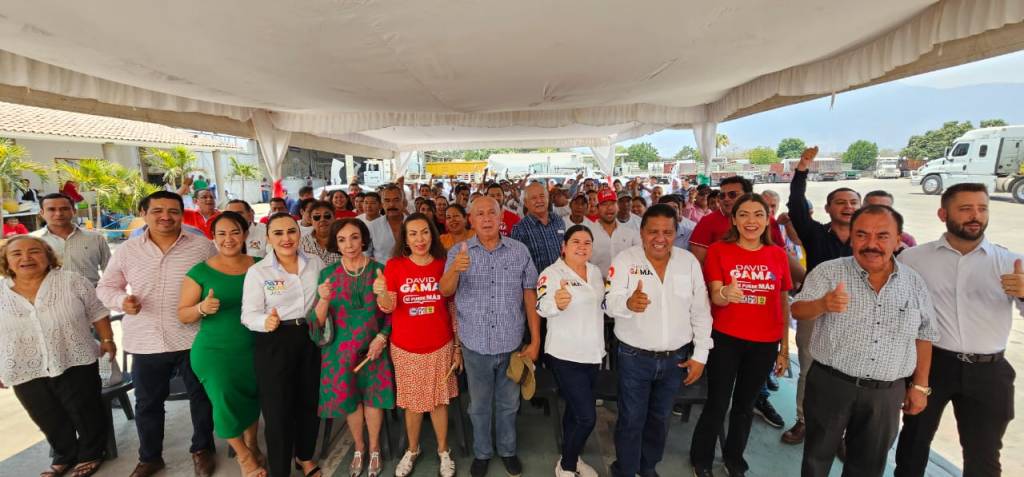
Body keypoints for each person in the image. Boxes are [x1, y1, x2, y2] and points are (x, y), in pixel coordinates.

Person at [792, 205, 939, 477]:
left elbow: (925, 334)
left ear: (898, 240)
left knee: (869, 465)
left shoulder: (914, 282)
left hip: (886, 394)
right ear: (851, 238)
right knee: (816, 458)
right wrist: (823, 304)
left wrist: (920, 386)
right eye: (862, 235)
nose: (871, 244)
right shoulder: (828, 271)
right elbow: (797, 309)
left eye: (882, 236)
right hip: (830, 384)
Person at [894, 183, 1024, 477]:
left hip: (989, 371)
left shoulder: (1011, 262)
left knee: (984, 455)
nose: (975, 216)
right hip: (932, 366)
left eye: (982, 208)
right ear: (943, 214)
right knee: (913, 444)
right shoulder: (914, 260)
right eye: (965, 209)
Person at [95, 191, 218, 477]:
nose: (166, 217)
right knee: (148, 403)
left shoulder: (201, 246)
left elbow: (218, 277)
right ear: (144, 213)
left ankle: (202, 449)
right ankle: (150, 457)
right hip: (146, 339)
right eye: (158, 210)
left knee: (201, 397)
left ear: (182, 214)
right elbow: (106, 287)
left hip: (193, 336)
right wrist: (121, 301)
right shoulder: (128, 250)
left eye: (173, 211)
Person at [604, 204, 713, 477]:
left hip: (676, 360)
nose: (660, 238)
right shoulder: (625, 261)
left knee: (660, 419)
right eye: (653, 231)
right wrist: (628, 303)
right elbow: (608, 302)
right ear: (642, 232)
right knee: (631, 419)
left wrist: (700, 355)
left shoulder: (688, 262)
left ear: (676, 233)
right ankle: (625, 470)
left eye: (667, 232)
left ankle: (648, 467)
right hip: (633, 358)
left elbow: (701, 311)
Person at [690, 194, 793, 477]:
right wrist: (725, 293)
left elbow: (782, 303)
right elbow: (715, 295)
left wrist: (784, 349)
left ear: (767, 220)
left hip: (765, 343)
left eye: (758, 214)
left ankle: (734, 460)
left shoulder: (778, 255)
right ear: (734, 220)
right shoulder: (719, 250)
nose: (751, 221)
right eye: (744, 214)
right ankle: (701, 458)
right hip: (726, 339)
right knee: (717, 402)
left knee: (745, 406)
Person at [440, 196, 540, 477]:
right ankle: (482, 452)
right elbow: (445, 290)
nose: (486, 219)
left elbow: (529, 294)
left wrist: (535, 340)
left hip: (511, 345)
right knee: (479, 406)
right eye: (480, 214)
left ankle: (507, 450)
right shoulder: (458, 251)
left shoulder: (519, 251)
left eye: (491, 213)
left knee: (509, 404)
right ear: (471, 220)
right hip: (475, 345)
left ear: (501, 218)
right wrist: (455, 269)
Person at [0, 236, 114, 477]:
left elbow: (97, 312)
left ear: (48, 256)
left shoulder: (72, 281)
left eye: (34, 251)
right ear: (6, 261)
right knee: (45, 414)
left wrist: (107, 339)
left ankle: (92, 453)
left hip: (74, 356)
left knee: (85, 409)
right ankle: (65, 455)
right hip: (23, 364)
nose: (26, 258)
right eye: (17, 254)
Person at [780, 146, 861, 445]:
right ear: (828, 209)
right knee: (809, 369)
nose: (847, 206)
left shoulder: (868, 241)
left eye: (853, 202)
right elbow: (796, 204)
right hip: (813, 310)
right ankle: (803, 420)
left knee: (850, 373)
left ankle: (842, 431)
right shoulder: (815, 234)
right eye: (840, 202)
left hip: (855, 314)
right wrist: (802, 168)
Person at [176, 212, 266, 477]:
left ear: (245, 234)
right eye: (222, 234)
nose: (229, 239)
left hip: (256, 347)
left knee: (251, 397)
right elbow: (183, 314)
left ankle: (252, 443)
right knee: (224, 400)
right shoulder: (200, 272)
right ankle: (244, 456)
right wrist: (201, 308)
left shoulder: (261, 266)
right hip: (215, 352)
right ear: (213, 237)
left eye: (235, 232)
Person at [375, 214, 460, 477]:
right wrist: (381, 291)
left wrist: (457, 347)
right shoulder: (394, 266)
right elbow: (388, 307)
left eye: (424, 232)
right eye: (413, 234)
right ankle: (412, 449)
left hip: (440, 345)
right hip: (406, 348)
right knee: (412, 404)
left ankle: (443, 450)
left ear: (432, 235)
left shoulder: (444, 265)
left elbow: (453, 308)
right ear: (405, 239)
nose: (420, 239)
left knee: (439, 402)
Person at [241, 213, 325, 477]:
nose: (286, 238)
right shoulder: (258, 272)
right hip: (274, 341)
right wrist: (265, 321)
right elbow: (248, 314)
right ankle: (280, 469)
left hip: (309, 337)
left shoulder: (315, 263)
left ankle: (305, 457)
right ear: (268, 238)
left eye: (291, 231)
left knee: (309, 402)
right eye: (278, 233)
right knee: (277, 410)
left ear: (300, 234)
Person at [310, 218, 394, 477]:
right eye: (342, 239)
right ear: (336, 244)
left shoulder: (380, 271)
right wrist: (324, 299)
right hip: (339, 351)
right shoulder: (327, 275)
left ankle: (375, 447)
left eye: (354, 237)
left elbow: (392, 313)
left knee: (373, 398)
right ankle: (359, 447)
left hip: (373, 348)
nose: (349, 244)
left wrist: (382, 337)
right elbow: (316, 324)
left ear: (364, 239)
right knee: (350, 400)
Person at [535, 225, 604, 477]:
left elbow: (603, 304)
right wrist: (557, 303)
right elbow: (542, 305)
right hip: (565, 355)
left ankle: (572, 458)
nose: (582, 247)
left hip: (593, 353)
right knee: (587, 417)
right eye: (576, 241)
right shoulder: (552, 273)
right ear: (563, 246)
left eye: (587, 243)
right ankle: (566, 465)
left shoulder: (595, 272)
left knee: (575, 411)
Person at [30, 193, 110, 285]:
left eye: (64, 209)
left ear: (74, 211)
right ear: (42, 213)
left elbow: (110, 271)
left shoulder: (95, 238)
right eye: (51, 209)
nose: (58, 213)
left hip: (91, 292)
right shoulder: (32, 240)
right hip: (47, 293)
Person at [511, 182, 566, 276]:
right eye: (534, 198)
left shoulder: (558, 220)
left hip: (562, 280)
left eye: (542, 196)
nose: (539, 200)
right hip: (537, 283)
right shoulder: (519, 229)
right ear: (526, 203)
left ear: (548, 198)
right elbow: (516, 264)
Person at [585, 189, 640, 278]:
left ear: (617, 206)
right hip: (596, 284)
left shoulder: (630, 234)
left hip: (624, 284)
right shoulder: (587, 234)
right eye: (604, 204)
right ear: (597, 208)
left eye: (612, 203)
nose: (609, 208)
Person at [364, 186, 404, 264]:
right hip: (382, 270)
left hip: (411, 271)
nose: (392, 205)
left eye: (396, 200)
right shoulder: (372, 227)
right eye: (387, 200)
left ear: (403, 202)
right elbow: (366, 255)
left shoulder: (413, 224)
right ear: (382, 204)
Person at [301, 200, 341, 265]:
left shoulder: (343, 240)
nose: (322, 220)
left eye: (327, 216)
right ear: (310, 220)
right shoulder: (302, 243)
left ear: (334, 218)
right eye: (317, 217)